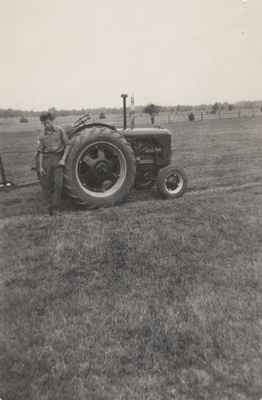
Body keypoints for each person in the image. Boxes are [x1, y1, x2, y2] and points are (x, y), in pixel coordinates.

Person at [37, 111, 71, 215]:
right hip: (47, 159)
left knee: (58, 184)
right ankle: (47, 207)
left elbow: (68, 145)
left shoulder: (60, 130)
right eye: (44, 123)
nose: (46, 125)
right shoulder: (42, 135)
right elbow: (41, 152)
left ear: (52, 121)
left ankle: (55, 208)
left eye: (47, 122)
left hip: (58, 158)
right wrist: (41, 166)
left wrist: (63, 159)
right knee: (47, 185)